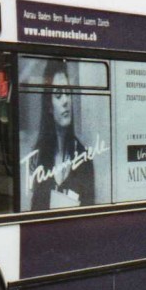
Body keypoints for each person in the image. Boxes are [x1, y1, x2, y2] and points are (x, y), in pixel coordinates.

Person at [28, 61, 95, 210]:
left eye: (68, 93)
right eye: (58, 95)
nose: (66, 101)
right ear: (49, 106)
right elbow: (35, 210)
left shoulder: (83, 158)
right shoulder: (39, 158)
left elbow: (89, 212)